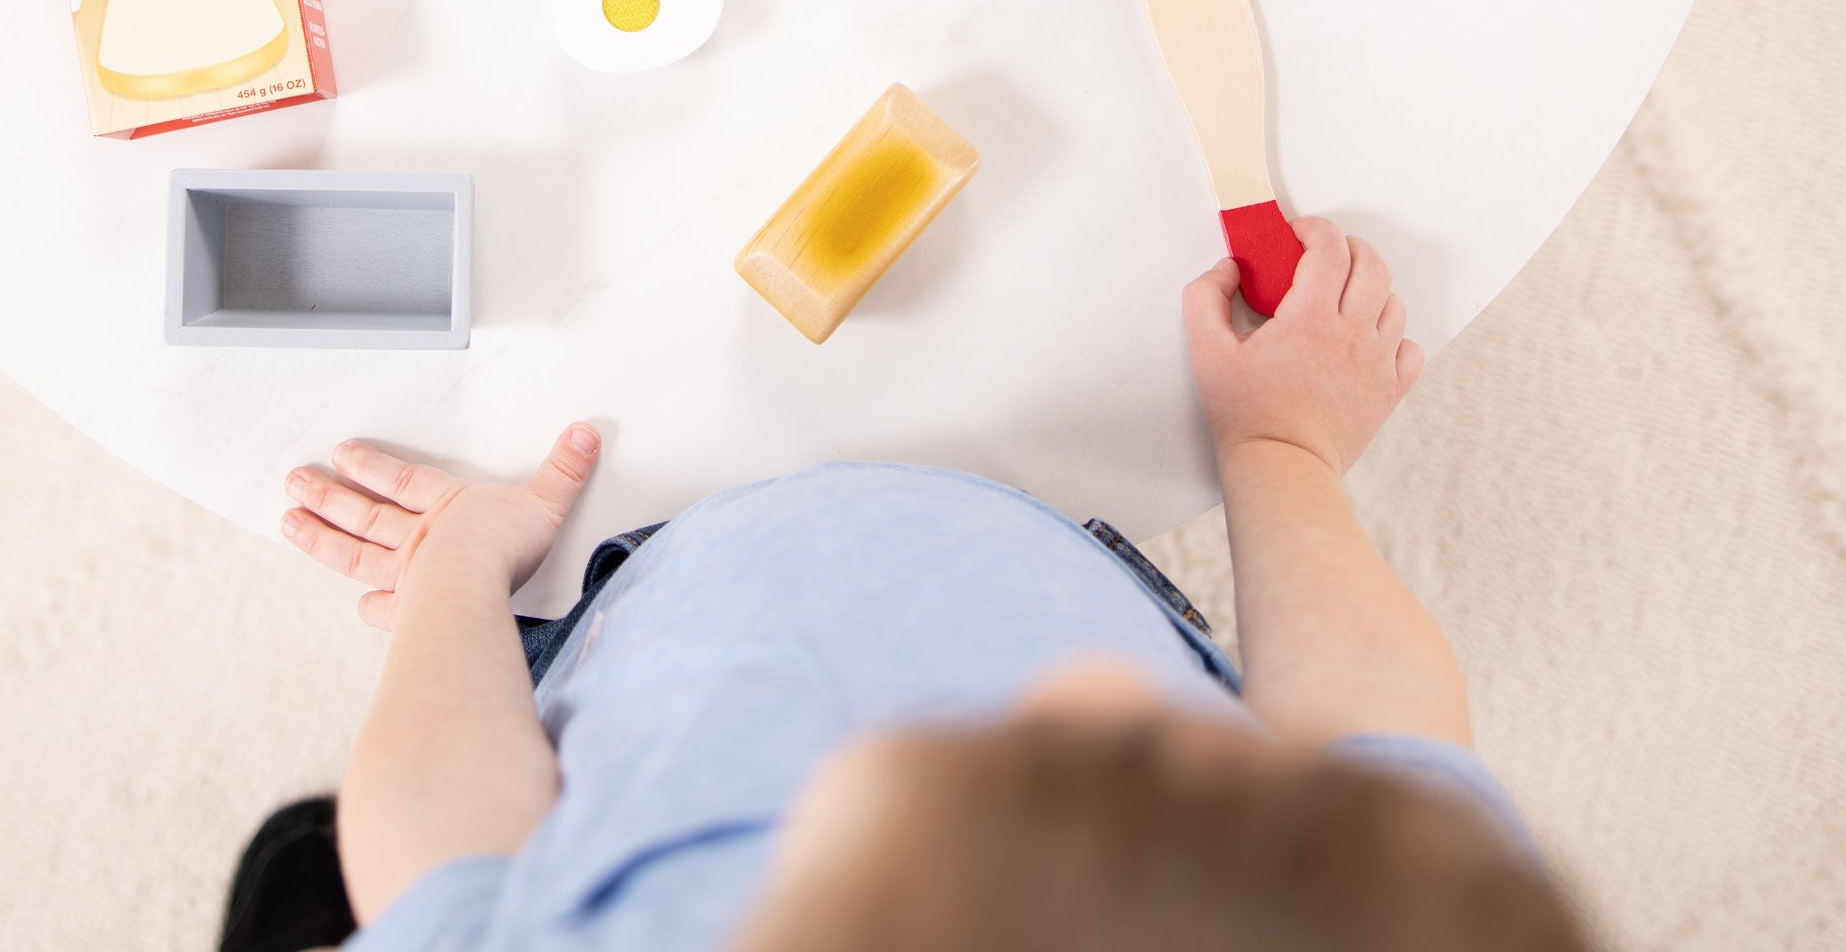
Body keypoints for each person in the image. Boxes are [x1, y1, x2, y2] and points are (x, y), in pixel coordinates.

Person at [221, 220, 1589, 952]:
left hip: (633, 623)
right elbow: (1375, 731)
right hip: (1038, 540)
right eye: (1163, 733)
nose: (1100, 682)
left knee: (310, 864)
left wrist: (463, 575)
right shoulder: (1371, 910)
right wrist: (1282, 447)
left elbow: (439, 859)